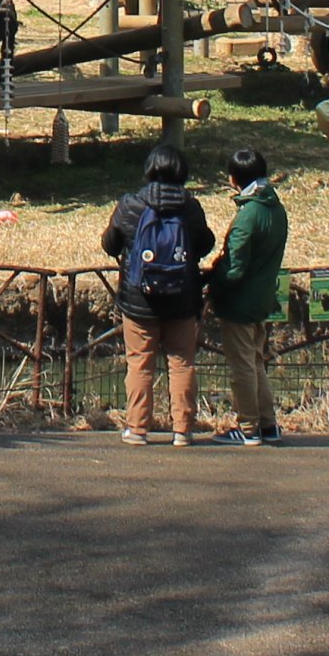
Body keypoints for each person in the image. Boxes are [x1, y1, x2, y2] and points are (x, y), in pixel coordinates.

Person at [103, 143, 214, 446]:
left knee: (139, 363)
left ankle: (137, 429)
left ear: (150, 169)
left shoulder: (130, 205)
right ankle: (183, 429)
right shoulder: (190, 207)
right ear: (182, 171)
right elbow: (205, 244)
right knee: (181, 363)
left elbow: (110, 244)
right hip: (182, 299)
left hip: (140, 300)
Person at [210, 146, 286, 444]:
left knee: (242, 366)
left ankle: (249, 427)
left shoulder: (247, 216)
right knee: (255, 362)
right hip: (262, 297)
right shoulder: (275, 208)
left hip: (240, 301)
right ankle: (268, 424)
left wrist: (214, 284)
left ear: (234, 179)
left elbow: (234, 268)